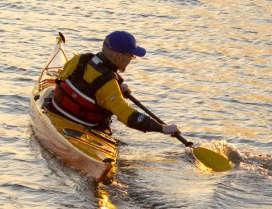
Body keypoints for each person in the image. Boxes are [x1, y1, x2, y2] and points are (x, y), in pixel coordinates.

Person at [47, 31, 181, 137]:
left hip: (56, 111)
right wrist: (162, 128)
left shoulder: (80, 59)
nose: (131, 60)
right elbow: (128, 116)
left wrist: (117, 88)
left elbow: (65, 77)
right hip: (85, 127)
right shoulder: (109, 83)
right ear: (119, 57)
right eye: (131, 56)